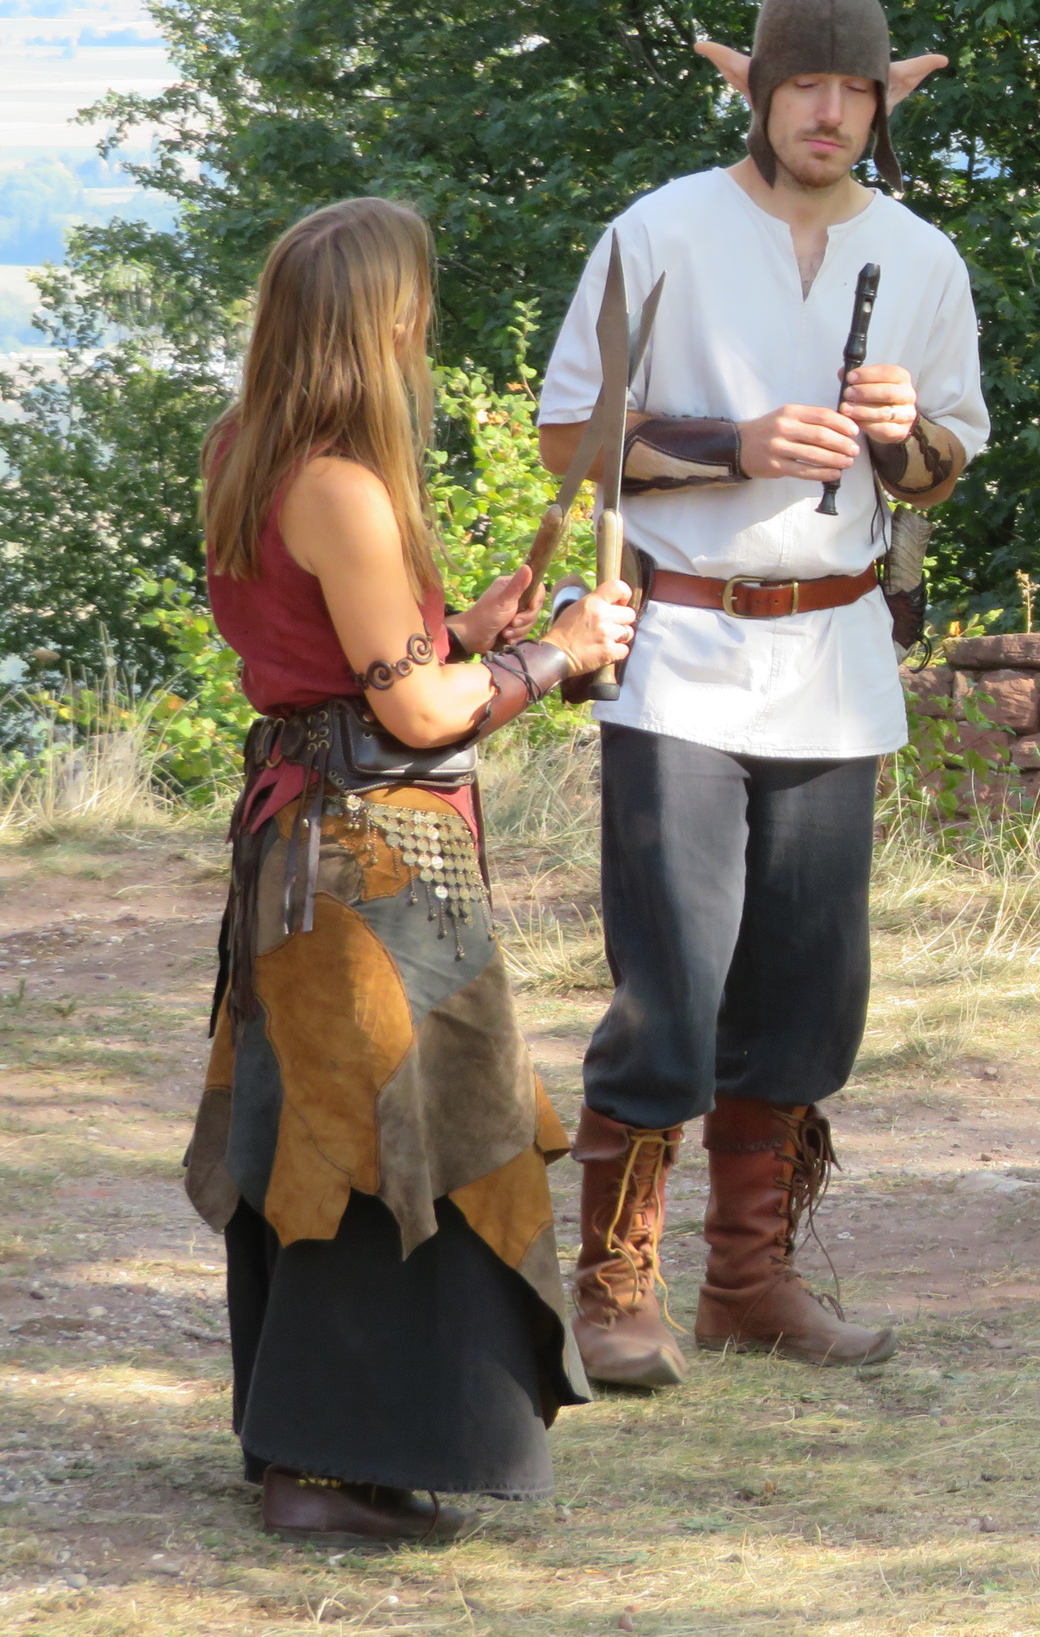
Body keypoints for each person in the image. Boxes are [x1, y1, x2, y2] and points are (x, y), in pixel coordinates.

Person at [536, 0, 986, 1388]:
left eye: (853, 90)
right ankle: (616, 1290)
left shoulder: (921, 257)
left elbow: (943, 468)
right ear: (758, 89)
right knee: (672, 983)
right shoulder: (658, 231)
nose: (827, 113)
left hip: (836, 659)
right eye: (804, 85)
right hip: (680, 648)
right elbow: (566, 439)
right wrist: (734, 444)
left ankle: (748, 1281)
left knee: (806, 989)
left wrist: (900, 436)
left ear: (883, 102)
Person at [185, 196, 636, 1543]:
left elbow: (347, 655)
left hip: (306, 842)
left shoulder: (246, 449)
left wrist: (466, 630)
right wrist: (555, 655)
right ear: (381, 322)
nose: (420, 333)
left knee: (339, 1137)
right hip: (365, 857)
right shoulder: (341, 484)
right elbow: (418, 714)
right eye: (414, 309)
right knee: (378, 1144)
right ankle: (321, 1475)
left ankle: (321, 1452)